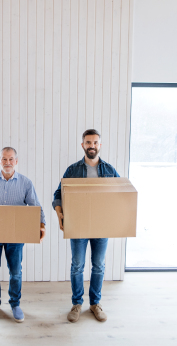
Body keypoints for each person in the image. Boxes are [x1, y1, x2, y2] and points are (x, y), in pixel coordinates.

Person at [0, 147, 46, 323]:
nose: (8, 162)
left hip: (15, 235)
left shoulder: (26, 183)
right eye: (4, 159)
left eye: (11, 159)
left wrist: (42, 226)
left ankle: (15, 304)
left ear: (16, 161)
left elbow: (36, 207)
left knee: (15, 272)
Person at [52, 129, 120, 323]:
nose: (92, 146)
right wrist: (59, 213)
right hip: (78, 225)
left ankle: (95, 304)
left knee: (98, 266)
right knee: (77, 266)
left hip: (101, 226)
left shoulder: (109, 170)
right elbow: (58, 194)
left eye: (95, 142)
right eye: (88, 142)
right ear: (82, 145)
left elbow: (120, 195)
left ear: (100, 145)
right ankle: (77, 304)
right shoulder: (73, 170)